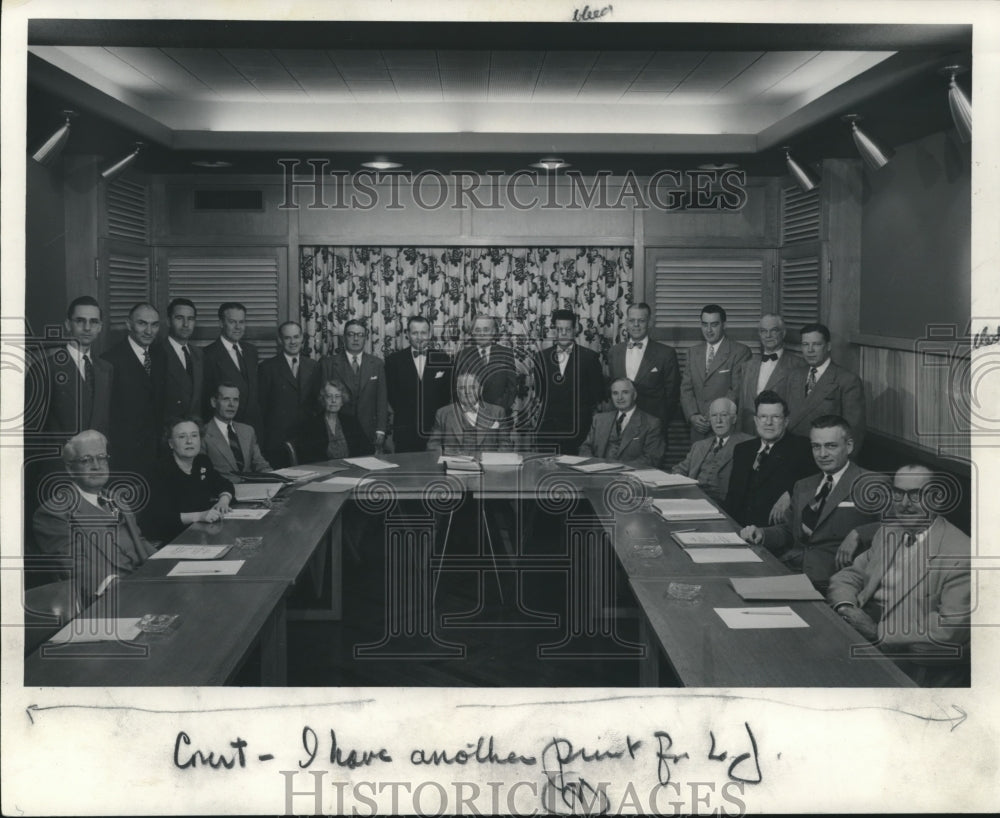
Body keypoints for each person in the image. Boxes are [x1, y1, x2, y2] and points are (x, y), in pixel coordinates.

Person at [828, 465, 970, 686]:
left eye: (915, 495)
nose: (904, 503)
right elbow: (849, 576)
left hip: (907, 657)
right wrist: (846, 607)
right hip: (859, 632)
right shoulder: (888, 532)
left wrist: (877, 631)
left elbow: (950, 628)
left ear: (937, 499)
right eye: (898, 493)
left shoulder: (961, 552)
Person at [740, 415, 878, 591]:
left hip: (834, 582)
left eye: (831, 446)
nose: (822, 454)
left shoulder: (871, 483)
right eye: (816, 446)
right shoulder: (804, 485)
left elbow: (900, 525)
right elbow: (789, 531)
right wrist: (761, 533)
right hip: (790, 572)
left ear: (849, 446)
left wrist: (859, 533)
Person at [31, 430, 159, 603]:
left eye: (101, 457)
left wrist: (166, 563)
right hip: (108, 598)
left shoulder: (117, 498)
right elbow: (74, 565)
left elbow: (140, 541)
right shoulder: (53, 513)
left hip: (146, 583)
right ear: (70, 469)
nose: (97, 466)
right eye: (86, 460)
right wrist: (117, 586)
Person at [725, 390, 815, 526]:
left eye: (775, 417)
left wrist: (791, 494)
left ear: (786, 421)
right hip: (738, 527)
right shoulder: (742, 449)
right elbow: (732, 497)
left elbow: (817, 482)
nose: (768, 422)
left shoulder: (803, 448)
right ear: (756, 420)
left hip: (773, 531)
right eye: (763, 417)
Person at [31, 295, 113, 438]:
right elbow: (31, 432)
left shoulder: (106, 368)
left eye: (93, 322)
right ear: (68, 324)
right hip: (61, 452)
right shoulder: (45, 368)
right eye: (80, 321)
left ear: (100, 327)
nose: (87, 328)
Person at [101, 302, 165, 479]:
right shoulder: (109, 360)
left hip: (156, 454)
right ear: (129, 325)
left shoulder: (160, 356)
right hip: (124, 456)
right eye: (142, 323)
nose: (149, 331)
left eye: (154, 325)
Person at [145, 417, 234, 542]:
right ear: (171, 443)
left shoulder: (202, 462)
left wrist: (223, 501)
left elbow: (224, 484)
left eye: (194, 435)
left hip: (201, 532)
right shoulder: (160, 470)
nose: (189, 441)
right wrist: (200, 516)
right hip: (171, 538)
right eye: (182, 437)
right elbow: (158, 518)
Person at [607, 302, 679, 451]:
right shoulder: (614, 352)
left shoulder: (666, 353)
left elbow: (672, 395)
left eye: (641, 321)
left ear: (649, 322)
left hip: (652, 428)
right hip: (620, 426)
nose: (636, 325)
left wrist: (659, 422)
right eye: (632, 320)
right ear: (626, 322)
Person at [532, 309, 604, 456]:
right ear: (554, 331)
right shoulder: (541, 358)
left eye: (568, 329)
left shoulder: (590, 358)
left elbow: (596, 396)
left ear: (575, 330)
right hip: (548, 431)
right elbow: (539, 394)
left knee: (575, 468)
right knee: (546, 467)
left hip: (579, 430)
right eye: (559, 329)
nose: (563, 333)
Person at [786, 323, 866, 453]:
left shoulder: (847, 380)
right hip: (791, 453)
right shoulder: (794, 375)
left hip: (824, 455)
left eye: (816, 344)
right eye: (805, 344)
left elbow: (854, 432)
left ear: (828, 346)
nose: (810, 350)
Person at [680, 303, 752, 442]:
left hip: (725, 426)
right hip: (698, 428)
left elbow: (737, 390)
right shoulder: (692, 352)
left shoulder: (740, 352)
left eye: (714, 325)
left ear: (724, 325)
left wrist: (712, 416)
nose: (709, 330)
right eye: (704, 324)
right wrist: (692, 415)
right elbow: (686, 388)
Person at [730, 313, 806, 435]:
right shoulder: (748, 365)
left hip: (780, 434)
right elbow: (742, 407)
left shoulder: (798, 365)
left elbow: (798, 410)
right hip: (748, 434)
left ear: (783, 333)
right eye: (764, 331)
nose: (768, 335)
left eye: (773, 331)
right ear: (759, 334)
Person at [385, 315, 452, 453]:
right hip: (405, 431)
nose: (419, 337)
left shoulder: (443, 359)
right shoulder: (393, 361)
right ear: (407, 334)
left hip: (435, 431)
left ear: (430, 334)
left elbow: (447, 396)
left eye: (423, 333)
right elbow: (391, 396)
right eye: (415, 333)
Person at [258, 321, 321, 466]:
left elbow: (317, 405)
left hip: (307, 439)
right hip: (277, 442)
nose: (293, 342)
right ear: (280, 340)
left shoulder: (313, 366)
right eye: (287, 338)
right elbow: (261, 408)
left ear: (302, 339)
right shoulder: (267, 368)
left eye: (296, 337)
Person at [320, 320, 388, 454]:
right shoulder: (328, 364)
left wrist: (380, 430)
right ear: (344, 337)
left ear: (366, 338)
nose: (356, 339)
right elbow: (323, 401)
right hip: (339, 432)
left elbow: (382, 400)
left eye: (360, 335)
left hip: (368, 430)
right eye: (351, 334)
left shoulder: (377, 364)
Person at [671, 397, 752, 502]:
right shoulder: (699, 445)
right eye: (714, 416)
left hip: (724, 503)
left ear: (734, 419)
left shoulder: (747, 444)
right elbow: (679, 469)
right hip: (693, 499)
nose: (718, 420)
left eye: (724, 415)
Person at [201, 301, 262, 435]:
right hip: (225, 430)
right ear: (221, 323)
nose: (238, 327)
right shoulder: (207, 355)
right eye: (232, 322)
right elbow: (205, 400)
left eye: (241, 322)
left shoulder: (251, 351)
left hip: (253, 429)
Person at [579, 378, 665, 468]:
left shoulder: (652, 423)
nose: (619, 397)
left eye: (625, 392)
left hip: (630, 474)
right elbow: (585, 447)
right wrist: (594, 465)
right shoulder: (599, 419)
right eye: (615, 393)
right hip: (597, 473)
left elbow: (652, 458)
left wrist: (618, 468)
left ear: (634, 395)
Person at [426, 372, 511, 455]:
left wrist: (492, 461)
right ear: (457, 392)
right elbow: (433, 445)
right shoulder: (443, 413)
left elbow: (505, 445)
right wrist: (445, 459)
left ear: (480, 390)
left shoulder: (497, 412)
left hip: (487, 463)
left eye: (472, 387)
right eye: (462, 388)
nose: (468, 392)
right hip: (454, 462)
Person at [202, 383, 273, 482]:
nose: (232, 405)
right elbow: (203, 474)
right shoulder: (202, 433)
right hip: (222, 490)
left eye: (235, 400)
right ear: (214, 402)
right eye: (226, 399)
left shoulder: (248, 431)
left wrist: (275, 479)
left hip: (252, 488)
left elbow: (260, 464)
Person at [454, 314, 518, 418]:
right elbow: (457, 389)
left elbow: (512, 388)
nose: (482, 334)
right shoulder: (462, 356)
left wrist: (497, 410)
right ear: (472, 332)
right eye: (478, 330)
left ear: (493, 332)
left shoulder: (506, 354)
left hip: (499, 414)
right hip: (469, 415)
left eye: (486, 329)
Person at [294, 379, 370, 462]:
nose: (333, 400)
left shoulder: (352, 422)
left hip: (351, 467)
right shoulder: (311, 425)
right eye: (329, 396)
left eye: (337, 396)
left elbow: (367, 449)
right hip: (323, 468)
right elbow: (308, 457)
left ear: (342, 401)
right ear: (323, 399)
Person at [159, 297, 203, 421]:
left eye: (190, 319)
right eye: (179, 318)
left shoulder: (199, 354)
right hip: (168, 427)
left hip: (195, 427)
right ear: (168, 321)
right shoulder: (156, 353)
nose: (186, 324)